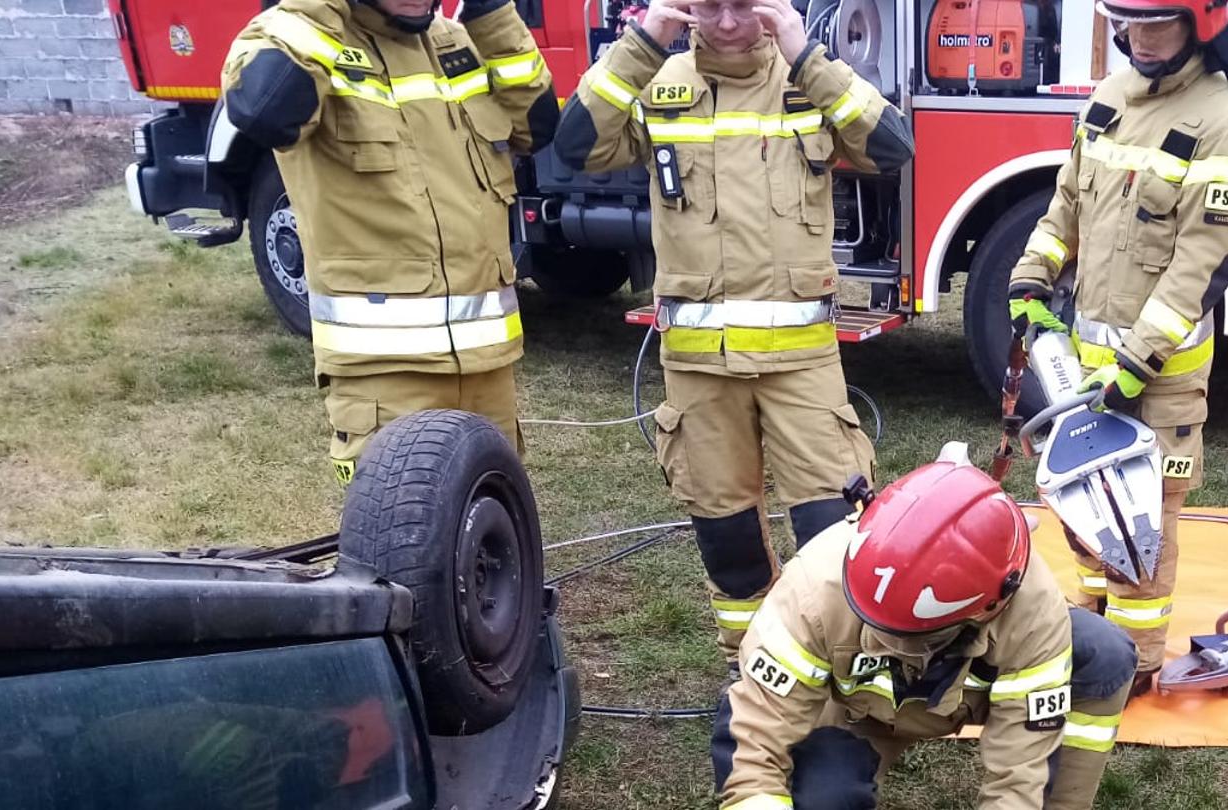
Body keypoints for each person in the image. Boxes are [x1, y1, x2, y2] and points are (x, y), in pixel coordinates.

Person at [553, 0, 914, 661]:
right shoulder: (661, 86)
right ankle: (752, 674)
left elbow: (892, 147)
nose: (725, 23)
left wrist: (807, 54)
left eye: (743, 7)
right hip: (698, 369)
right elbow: (575, 144)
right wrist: (645, 39)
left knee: (831, 533)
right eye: (709, 6)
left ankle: (835, 678)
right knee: (729, 545)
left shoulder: (809, 80)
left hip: (801, 366)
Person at [1005, 0, 1228, 698]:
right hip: (1089, 365)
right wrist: (1033, 272)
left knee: (1146, 519)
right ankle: (1090, 627)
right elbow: (1067, 203)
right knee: (1083, 504)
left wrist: (1140, 359)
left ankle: (1137, 656)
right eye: (1128, 22)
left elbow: (1201, 264)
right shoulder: (1107, 98)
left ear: (1200, 24)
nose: (1140, 37)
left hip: (1162, 376)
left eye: (1157, 22)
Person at [221, 0, 558, 484]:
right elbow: (264, 112)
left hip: (487, 367)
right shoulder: (294, 36)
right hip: (386, 376)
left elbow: (536, 125)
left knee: (495, 537)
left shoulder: (453, 41)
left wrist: (491, 13)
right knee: (404, 551)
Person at [710, 454, 1137, 809]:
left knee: (1103, 651)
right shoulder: (813, 592)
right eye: (879, 626)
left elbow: (1017, 775)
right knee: (825, 797)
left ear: (991, 606)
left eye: (917, 636)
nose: (892, 646)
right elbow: (755, 744)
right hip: (852, 714)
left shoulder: (1031, 609)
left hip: (967, 699)